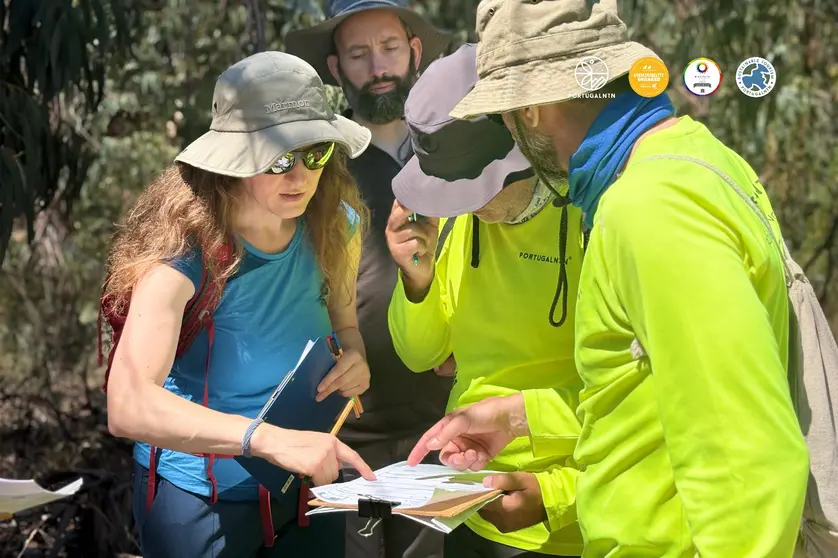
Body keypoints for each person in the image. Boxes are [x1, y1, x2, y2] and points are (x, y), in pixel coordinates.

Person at [411, 1, 811, 556]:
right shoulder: (697, 158)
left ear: (528, 110)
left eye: (503, 113)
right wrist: (520, 416)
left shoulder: (648, 207)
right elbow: (653, 385)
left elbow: (744, 455)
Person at [102, 51, 376, 557]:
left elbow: (345, 327)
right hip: (198, 501)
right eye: (277, 160)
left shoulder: (336, 225)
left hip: (306, 488)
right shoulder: (183, 253)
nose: (299, 178)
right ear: (233, 161)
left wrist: (354, 359)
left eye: (314, 154)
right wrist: (266, 438)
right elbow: (127, 403)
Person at [387, 43, 584, 558]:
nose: (462, 207)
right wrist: (416, 278)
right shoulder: (456, 223)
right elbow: (421, 354)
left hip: (576, 512)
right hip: (472, 502)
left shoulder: (600, 218)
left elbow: (644, 400)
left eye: (472, 191)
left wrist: (557, 486)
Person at [285, 3, 454, 557]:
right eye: (359, 55)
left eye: (388, 48)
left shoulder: (458, 158)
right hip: (342, 433)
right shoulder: (313, 169)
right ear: (336, 68)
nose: (378, 66)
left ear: (416, 51)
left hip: (441, 427)